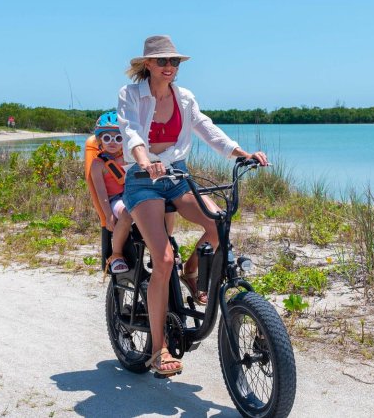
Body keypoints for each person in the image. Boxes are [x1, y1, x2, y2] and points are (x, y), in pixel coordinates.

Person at [117, 35, 268, 377]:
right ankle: (159, 350)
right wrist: (144, 162)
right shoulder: (130, 95)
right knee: (163, 258)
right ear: (148, 65)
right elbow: (131, 135)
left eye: (175, 62)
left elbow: (207, 129)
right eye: (163, 62)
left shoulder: (184, 98)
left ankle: (192, 270)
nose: (170, 68)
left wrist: (241, 153)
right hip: (143, 180)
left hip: (176, 176)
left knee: (218, 224)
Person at [86, 111, 133, 274]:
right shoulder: (98, 165)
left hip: (132, 196)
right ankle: (116, 254)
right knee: (127, 214)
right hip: (115, 200)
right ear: (100, 141)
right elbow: (101, 192)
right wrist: (108, 215)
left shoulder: (129, 158)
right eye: (107, 138)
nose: (112, 142)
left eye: (118, 138)